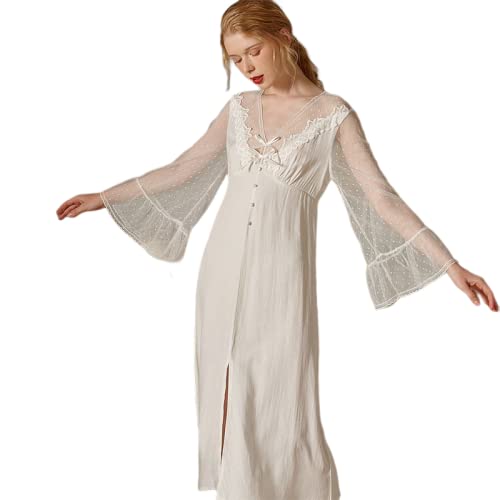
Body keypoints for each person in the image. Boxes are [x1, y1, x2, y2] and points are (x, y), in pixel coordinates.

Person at [56, 0, 498, 498]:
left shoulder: (332, 115)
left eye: (253, 51)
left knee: (279, 394)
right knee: (226, 388)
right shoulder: (239, 110)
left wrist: (451, 265)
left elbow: (382, 197)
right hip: (222, 270)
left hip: (282, 277)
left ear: (284, 36)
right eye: (235, 59)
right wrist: (104, 197)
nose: (247, 67)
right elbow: (183, 168)